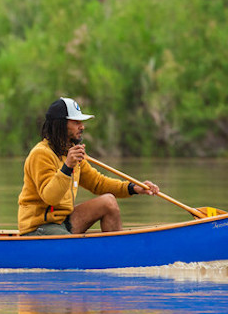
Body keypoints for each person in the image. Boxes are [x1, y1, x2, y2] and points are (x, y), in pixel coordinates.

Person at [17, 97, 160, 236]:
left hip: (63, 221)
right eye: (76, 122)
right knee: (69, 247)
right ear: (60, 124)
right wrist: (67, 167)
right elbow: (50, 198)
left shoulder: (72, 152)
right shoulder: (41, 154)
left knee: (108, 202)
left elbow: (98, 183)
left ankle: (117, 254)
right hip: (38, 227)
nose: (82, 126)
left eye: (81, 122)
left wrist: (133, 188)